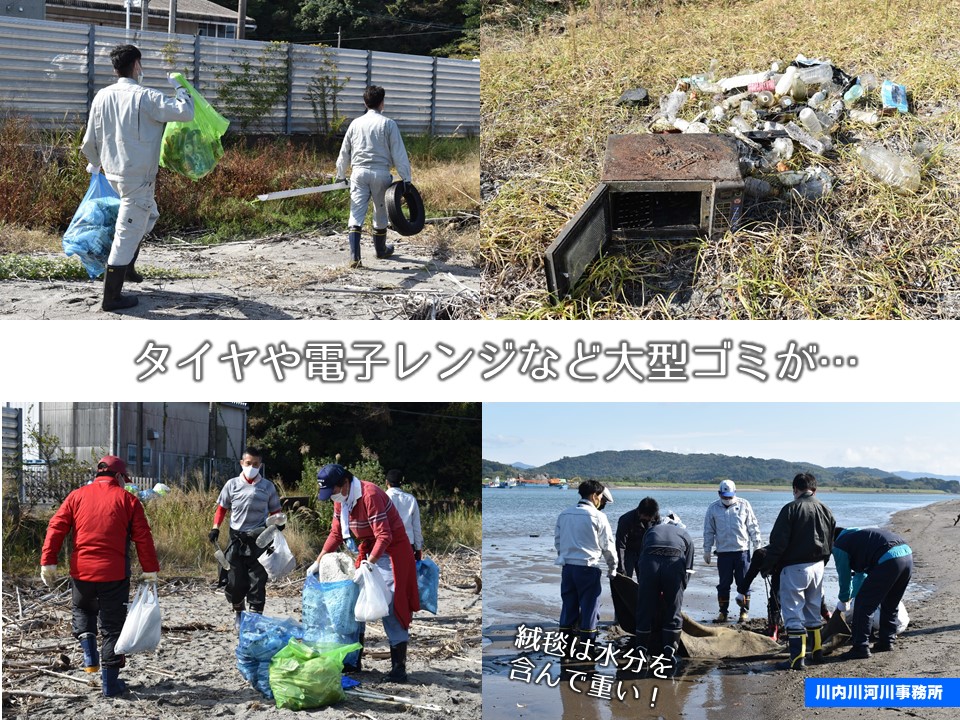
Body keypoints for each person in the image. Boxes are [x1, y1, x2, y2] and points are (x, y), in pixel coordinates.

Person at [80, 43, 194, 311]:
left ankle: (128, 266)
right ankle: (112, 297)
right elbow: (185, 112)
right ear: (137, 65)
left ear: (115, 67)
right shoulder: (146, 96)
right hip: (138, 178)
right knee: (127, 231)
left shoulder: (101, 96)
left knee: (148, 215)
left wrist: (95, 164)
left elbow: (88, 141)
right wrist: (180, 88)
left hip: (113, 175)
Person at [40, 455, 159, 697]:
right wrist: (150, 569)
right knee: (112, 628)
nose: (125, 483)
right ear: (117, 476)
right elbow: (142, 537)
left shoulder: (76, 496)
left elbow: (56, 526)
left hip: (82, 572)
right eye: (124, 479)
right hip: (114, 574)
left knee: (83, 610)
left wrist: (48, 562)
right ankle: (110, 684)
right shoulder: (128, 500)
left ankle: (89, 654)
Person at [312, 463, 419, 682]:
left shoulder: (369, 495)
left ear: (344, 484)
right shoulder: (341, 502)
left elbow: (385, 536)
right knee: (354, 601)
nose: (330, 496)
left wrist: (369, 565)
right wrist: (319, 559)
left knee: (390, 604)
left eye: (331, 490)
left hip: (393, 553)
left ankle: (399, 668)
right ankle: (353, 661)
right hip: (370, 550)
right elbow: (336, 534)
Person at [762, 473, 836, 671]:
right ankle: (817, 653)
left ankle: (796, 659)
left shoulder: (790, 509)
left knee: (793, 612)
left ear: (795, 489)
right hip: (819, 566)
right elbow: (831, 540)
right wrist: (824, 562)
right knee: (812, 611)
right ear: (814, 489)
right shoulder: (826, 509)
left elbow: (778, 543)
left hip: (795, 567)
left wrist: (768, 566)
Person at [334, 85, 412, 267]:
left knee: (356, 213)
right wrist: (406, 179)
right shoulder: (388, 124)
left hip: (358, 173)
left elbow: (344, 152)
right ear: (382, 103)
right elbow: (399, 154)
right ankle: (381, 250)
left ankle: (355, 257)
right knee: (380, 211)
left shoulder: (355, 123)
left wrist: (340, 175)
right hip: (380, 173)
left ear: (365, 102)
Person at [208, 447, 284, 628]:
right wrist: (215, 528)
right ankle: (239, 611)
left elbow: (276, 511)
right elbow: (222, 508)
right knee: (234, 581)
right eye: (248, 463)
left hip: (260, 538)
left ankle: (255, 619)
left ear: (260, 465)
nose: (251, 467)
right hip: (236, 538)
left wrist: (279, 523)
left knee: (258, 581)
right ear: (242, 463)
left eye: (255, 464)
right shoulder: (232, 485)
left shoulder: (267, 487)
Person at [554, 480, 617, 657]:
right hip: (588, 568)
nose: (600, 502)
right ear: (594, 496)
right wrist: (613, 568)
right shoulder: (598, 517)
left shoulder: (564, 514)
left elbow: (558, 541)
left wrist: (564, 555)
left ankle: (565, 646)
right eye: (599, 498)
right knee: (590, 608)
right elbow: (608, 546)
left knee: (568, 605)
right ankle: (587, 647)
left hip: (567, 568)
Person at [832, 527, 913, 659]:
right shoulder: (858, 537)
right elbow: (860, 575)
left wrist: (844, 600)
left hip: (888, 558)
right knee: (890, 602)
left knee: (863, 605)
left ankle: (860, 647)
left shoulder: (839, 545)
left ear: (831, 540)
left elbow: (844, 578)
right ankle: (887, 641)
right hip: (907, 555)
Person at [633, 498, 694, 673]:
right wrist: (678, 591)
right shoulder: (685, 534)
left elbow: (642, 556)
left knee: (644, 607)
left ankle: (641, 650)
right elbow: (688, 569)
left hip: (649, 562)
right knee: (673, 610)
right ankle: (669, 651)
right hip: (674, 564)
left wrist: (645, 584)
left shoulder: (652, 530)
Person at [703, 480, 762, 623]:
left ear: (735, 493)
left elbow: (753, 526)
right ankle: (723, 612)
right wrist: (707, 550)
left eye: (730, 496)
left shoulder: (744, 505)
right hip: (723, 553)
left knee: (744, 582)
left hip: (741, 552)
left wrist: (757, 545)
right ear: (719, 494)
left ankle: (744, 611)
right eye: (725, 496)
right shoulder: (713, 508)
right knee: (724, 584)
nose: (727, 499)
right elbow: (709, 531)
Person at [384, 469, 423, 560]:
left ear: (387, 482)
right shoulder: (411, 499)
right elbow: (416, 526)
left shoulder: (383, 498)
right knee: (405, 573)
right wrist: (418, 548)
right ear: (401, 483)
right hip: (408, 543)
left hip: (388, 543)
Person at [615, 499, 654, 579]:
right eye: (646, 516)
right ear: (640, 512)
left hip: (644, 553)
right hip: (628, 552)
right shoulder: (626, 520)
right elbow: (620, 545)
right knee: (625, 578)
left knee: (645, 580)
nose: (648, 519)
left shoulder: (655, 518)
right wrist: (620, 566)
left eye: (650, 517)